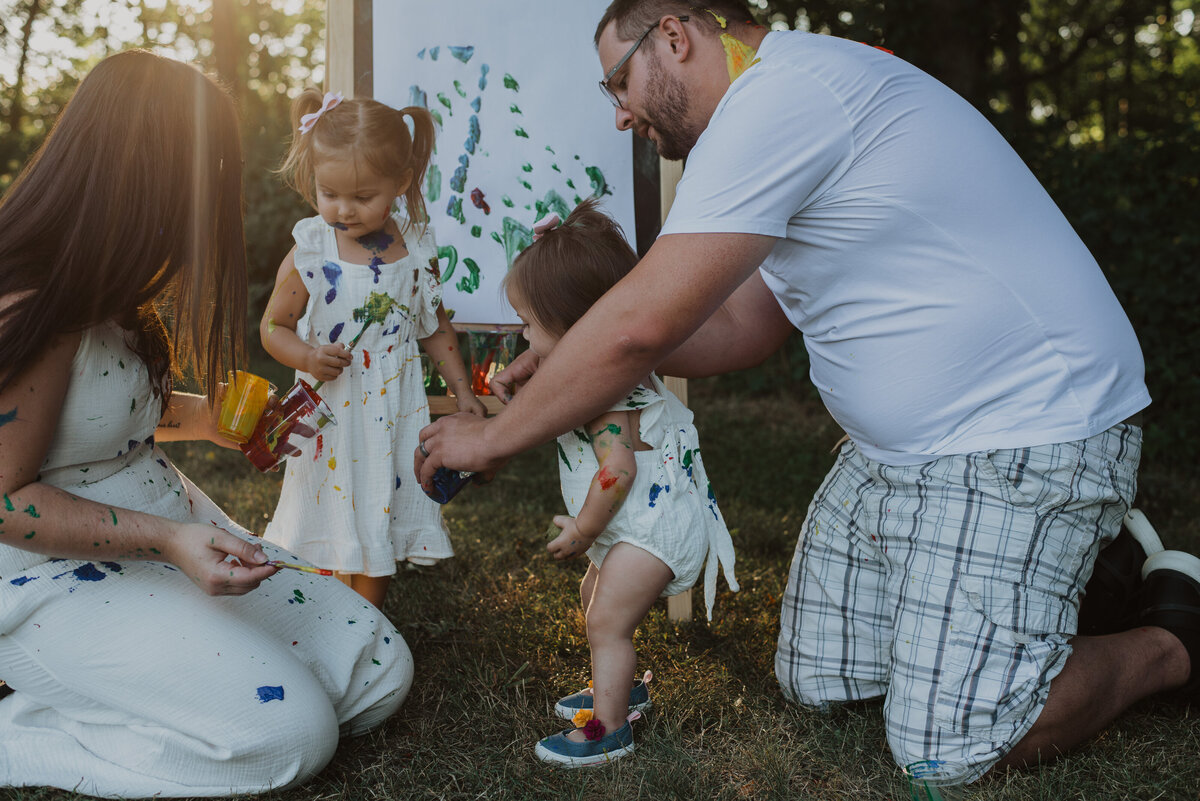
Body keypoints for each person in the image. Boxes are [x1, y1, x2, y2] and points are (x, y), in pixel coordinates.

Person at [414, 0, 1200, 784]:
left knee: (948, 743)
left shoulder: (783, 99)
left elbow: (640, 325)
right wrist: (563, 366)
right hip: (897, 456)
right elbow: (743, 325)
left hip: (1024, 436)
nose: (620, 116)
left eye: (617, 84)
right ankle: (1077, 578)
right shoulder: (769, 111)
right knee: (820, 679)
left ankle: (1169, 634)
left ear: (676, 37)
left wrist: (490, 436)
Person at [0, 51, 411, 796]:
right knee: (290, 733)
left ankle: (171, 688)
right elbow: (4, 501)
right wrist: (165, 539)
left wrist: (221, 423)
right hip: (47, 579)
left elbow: (116, 413)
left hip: (164, 526)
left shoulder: (113, 282)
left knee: (376, 668)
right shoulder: (30, 304)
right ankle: (27, 732)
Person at [501, 200, 738, 766]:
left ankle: (609, 728)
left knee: (607, 620)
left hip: (651, 527)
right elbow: (562, 364)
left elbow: (619, 469)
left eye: (530, 326)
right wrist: (526, 367)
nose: (523, 335)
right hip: (637, 521)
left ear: (573, 328)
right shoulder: (601, 365)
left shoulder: (605, 398)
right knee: (594, 601)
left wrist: (584, 528)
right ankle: (621, 687)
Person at [261, 89, 486, 609]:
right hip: (332, 411)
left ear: (400, 183)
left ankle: (367, 617)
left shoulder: (414, 246)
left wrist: (461, 389)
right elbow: (274, 327)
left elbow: (434, 326)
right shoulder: (312, 249)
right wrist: (305, 357)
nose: (342, 209)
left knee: (379, 507)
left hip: (391, 407)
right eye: (329, 193)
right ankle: (335, 614)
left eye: (361, 197)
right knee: (332, 511)